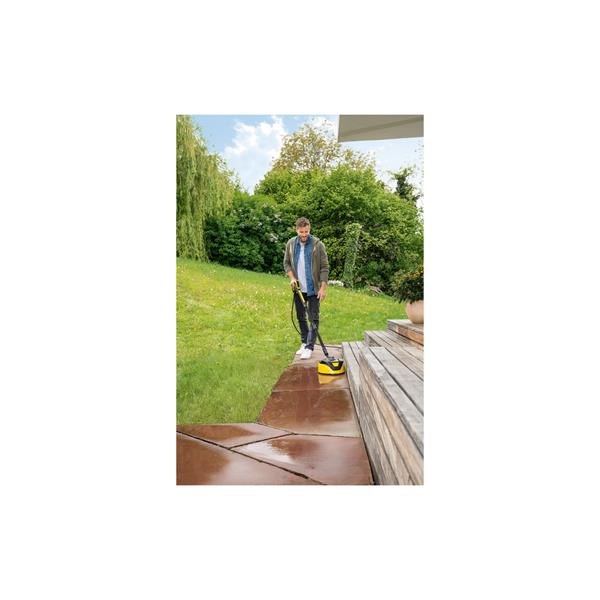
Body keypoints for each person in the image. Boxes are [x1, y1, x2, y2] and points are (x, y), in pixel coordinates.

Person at [283, 217, 329, 359]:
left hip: (313, 288)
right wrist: (292, 278)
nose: (304, 235)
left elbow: (324, 267)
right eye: (301, 232)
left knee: (313, 317)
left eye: (306, 232)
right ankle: (304, 342)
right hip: (298, 288)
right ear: (297, 230)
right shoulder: (291, 244)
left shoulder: (317, 245)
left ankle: (309, 347)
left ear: (309, 229)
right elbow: (286, 263)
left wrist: (323, 288)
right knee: (300, 317)